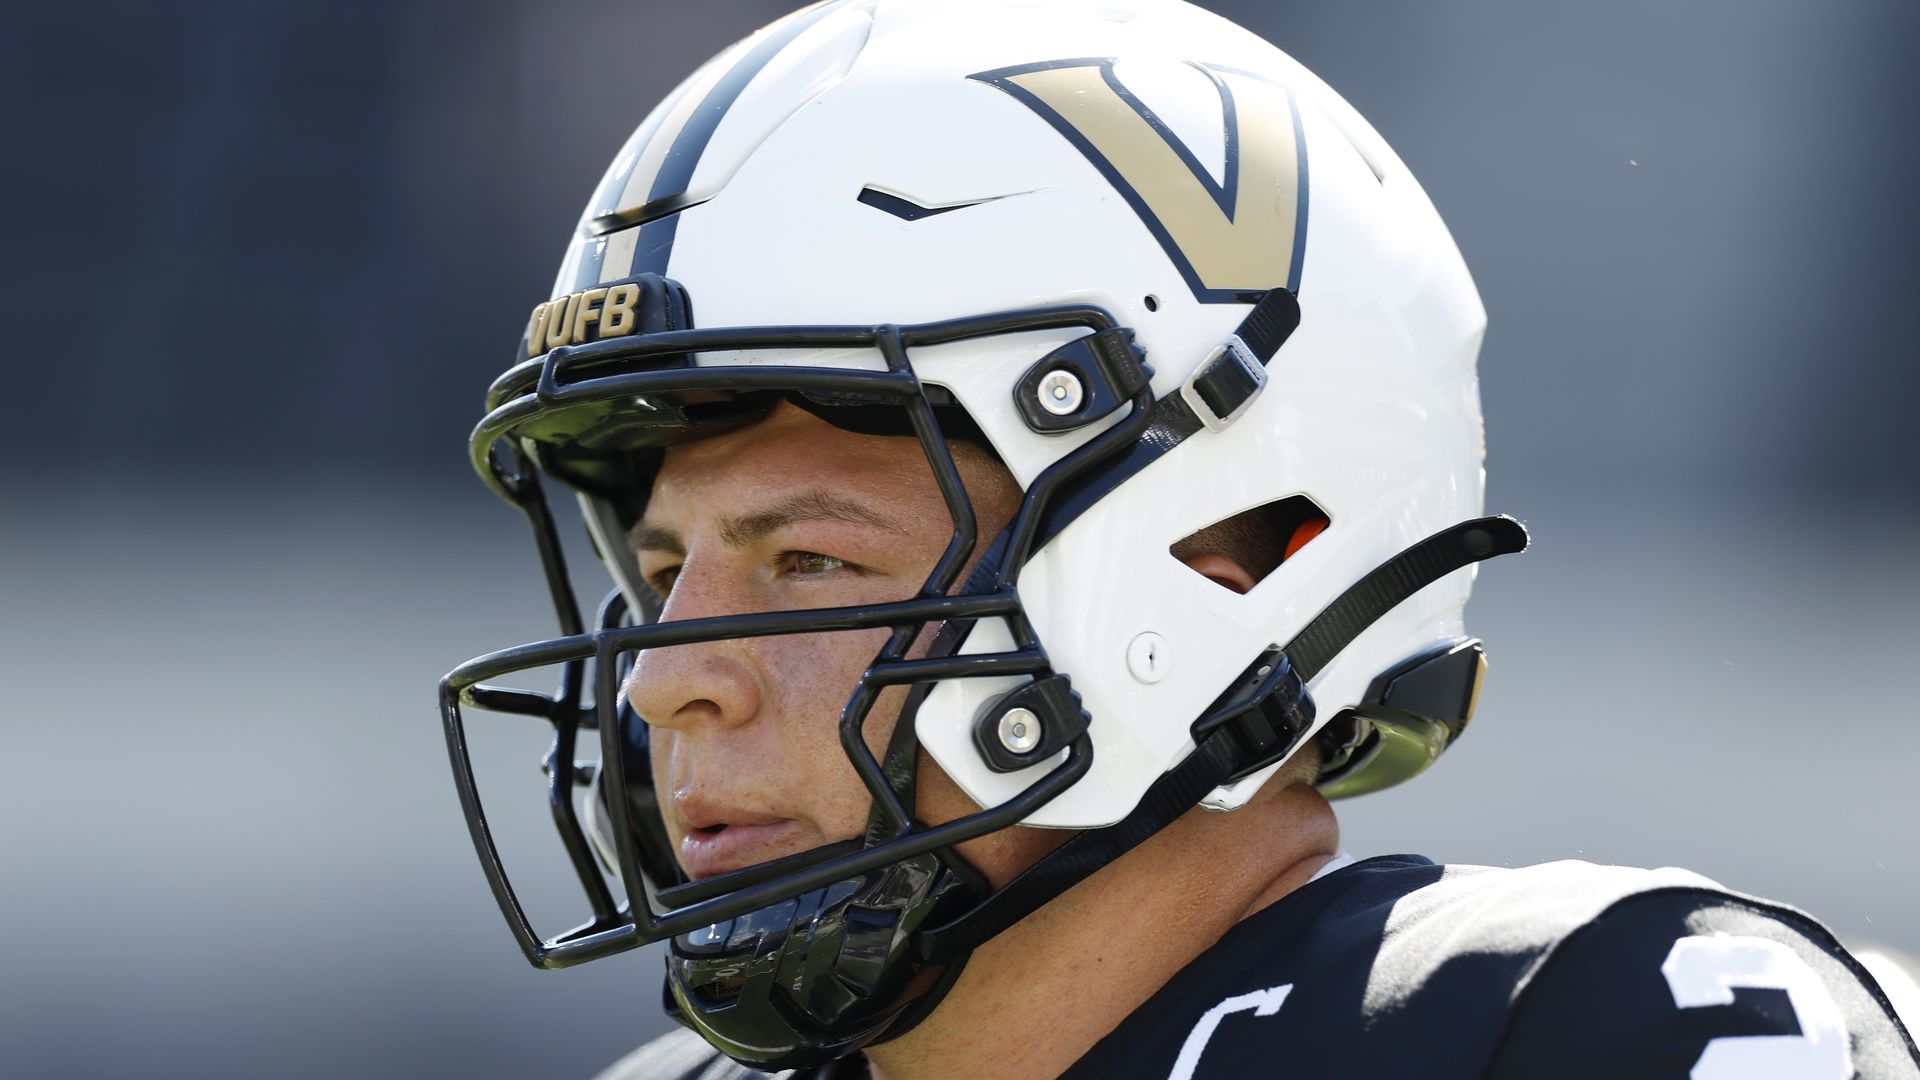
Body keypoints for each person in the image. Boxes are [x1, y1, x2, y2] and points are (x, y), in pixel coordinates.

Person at [436, 1, 1920, 1076]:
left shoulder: (1575, 1027)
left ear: (1224, 553)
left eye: (811, 560)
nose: (664, 685)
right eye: (657, 572)